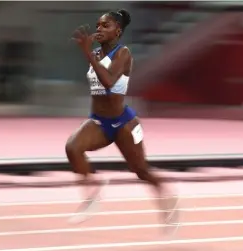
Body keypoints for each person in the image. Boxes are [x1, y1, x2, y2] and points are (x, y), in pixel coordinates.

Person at [66, 9, 179, 228]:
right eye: (98, 25)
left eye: (105, 25)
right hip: (99, 121)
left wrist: (87, 52)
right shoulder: (97, 54)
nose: (99, 29)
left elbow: (108, 81)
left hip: (124, 123)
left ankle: (167, 198)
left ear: (117, 31)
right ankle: (92, 194)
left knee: (141, 171)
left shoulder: (123, 53)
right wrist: (91, 53)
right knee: (73, 147)